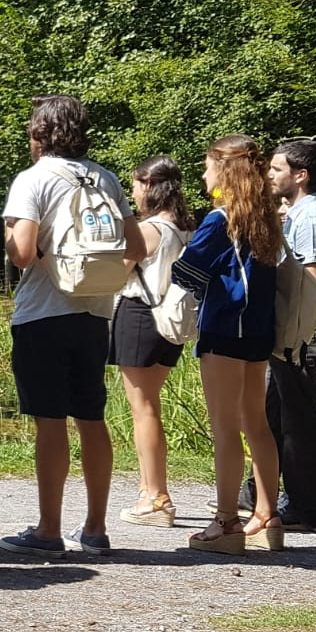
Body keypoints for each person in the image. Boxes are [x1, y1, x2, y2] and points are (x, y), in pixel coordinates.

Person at [0, 95, 144, 557]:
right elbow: (136, 245)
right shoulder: (105, 176)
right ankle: (96, 528)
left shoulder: (33, 179)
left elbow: (21, 252)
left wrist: (29, 247)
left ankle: (48, 529)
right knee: (92, 417)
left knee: (50, 421)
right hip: (95, 313)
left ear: (40, 132)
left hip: (44, 312)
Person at [172, 136, 285, 554]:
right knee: (257, 423)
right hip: (258, 332)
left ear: (225, 171)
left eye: (207, 167)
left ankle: (226, 522)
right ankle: (268, 515)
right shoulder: (268, 217)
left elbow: (185, 271)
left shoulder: (220, 220)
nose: (204, 175)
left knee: (225, 429)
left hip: (223, 330)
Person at [260, 138, 316, 532]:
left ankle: (305, 507)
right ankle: (261, 493)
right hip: (294, 337)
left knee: (298, 423)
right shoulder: (303, 213)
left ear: (301, 174)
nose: (270, 175)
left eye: (277, 169)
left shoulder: (310, 217)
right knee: (275, 415)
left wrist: (294, 339)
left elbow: (311, 282)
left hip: (301, 338)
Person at [111, 156, 194, 527]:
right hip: (168, 323)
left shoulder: (149, 230)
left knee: (142, 409)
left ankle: (156, 497)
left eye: (135, 184)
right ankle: (149, 491)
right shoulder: (183, 227)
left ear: (148, 185)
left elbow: (116, 272)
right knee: (149, 406)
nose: (132, 192)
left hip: (140, 315)